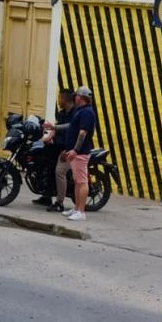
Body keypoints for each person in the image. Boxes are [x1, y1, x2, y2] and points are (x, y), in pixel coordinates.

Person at [50, 86, 97, 221]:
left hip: (80, 153)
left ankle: (81, 212)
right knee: (77, 182)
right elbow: (72, 127)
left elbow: (82, 133)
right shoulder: (80, 111)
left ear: (81, 98)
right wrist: (54, 128)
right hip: (75, 152)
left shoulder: (87, 113)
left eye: (76, 95)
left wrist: (75, 150)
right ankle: (76, 208)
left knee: (82, 182)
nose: (74, 97)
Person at [34, 88, 75, 206]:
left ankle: (59, 202)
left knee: (59, 171)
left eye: (59, 97)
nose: (58, 100)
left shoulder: (75, 113)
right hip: (58, 144)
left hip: (68, 147)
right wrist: (46, 138)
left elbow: (69, 128)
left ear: (64, 98)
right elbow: (56, 128)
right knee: (44, 163)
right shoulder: (62, 112)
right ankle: (46, 195)